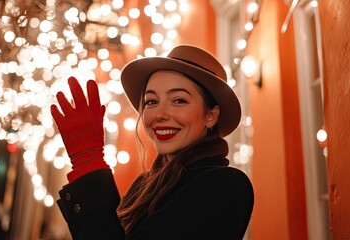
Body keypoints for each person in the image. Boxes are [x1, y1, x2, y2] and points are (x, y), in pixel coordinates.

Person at [51, 45, 254, 240]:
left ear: (211, 115)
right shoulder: (143, 186)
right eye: (151, 101)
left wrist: (88, 161)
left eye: (179, 100)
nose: (159, 114)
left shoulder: (225, 184)